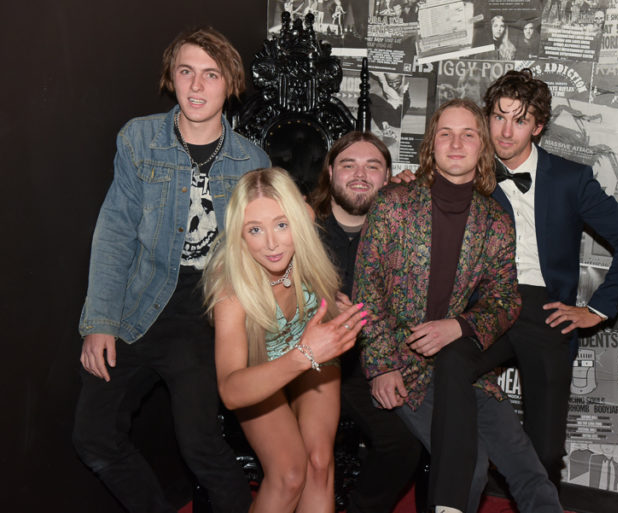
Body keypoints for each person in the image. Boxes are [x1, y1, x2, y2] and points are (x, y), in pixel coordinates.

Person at [73, 27, 271, 513]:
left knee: (201, 447)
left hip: (207, 312)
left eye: (211, 74)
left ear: (230, 84)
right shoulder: (139, 139)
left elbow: (265, 249)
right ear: (171, 78)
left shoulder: (251, 160)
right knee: (94, 436)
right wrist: (100, 321)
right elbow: (115, 232)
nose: (197, 86)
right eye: (186, 72)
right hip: (139, 302)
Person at [430, 69, 618, 492]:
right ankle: (449, 490)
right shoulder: (468, 169)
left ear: (538, 126)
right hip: (485, 306)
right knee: (448, 366)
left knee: (546, 451)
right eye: (498, 117)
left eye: (519, 120)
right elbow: (426, 188)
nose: (505, 131)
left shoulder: (570, 179)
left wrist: (596, 310)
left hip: (546, 310)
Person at [354, 98, 562, 513]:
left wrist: (460, 327)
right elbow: (366, 289)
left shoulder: (494, 221)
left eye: (468, 134)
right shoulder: (393, 205)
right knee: (471, 468)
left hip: (462, 369)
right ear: (431, 144)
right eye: (445, 134)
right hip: (403, 365)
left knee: (528, 468)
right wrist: (381, 366)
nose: (455, 143)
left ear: (482, 146)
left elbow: (505, 299)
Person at [204, 167, 365, 513]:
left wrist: (333, 307)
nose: (272, 243)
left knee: (319, 462)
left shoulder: (303, 219)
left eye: (281, 224)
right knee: (290, 474)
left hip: (313, 348)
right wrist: (304, 354)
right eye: (254, 230)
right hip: (265, 368)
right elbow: (230, 391)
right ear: (239, 234)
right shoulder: (231, 289)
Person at [309, 132, 423, 513]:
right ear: (330, 172)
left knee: (403, 445)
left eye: (372, 167)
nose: (360, 175)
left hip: (367, 365)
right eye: (348, 165)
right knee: (307, 458)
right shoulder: (303, 227)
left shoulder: (400, 229)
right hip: (308, 365)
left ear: (387, 176)